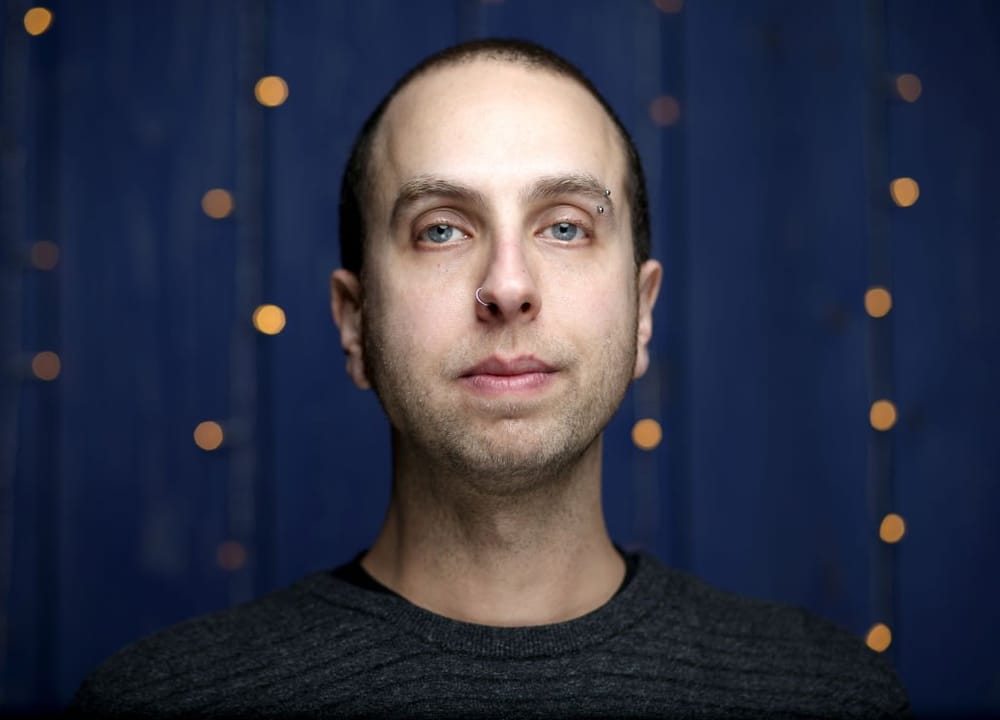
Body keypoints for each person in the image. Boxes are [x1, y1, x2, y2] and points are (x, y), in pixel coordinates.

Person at [71, 39, 910, 718]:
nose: (508, 285)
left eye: (567, 227)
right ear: (354, 322)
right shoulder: (165, 700)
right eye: (441, 229)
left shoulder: (827, 698)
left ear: (642, 311)